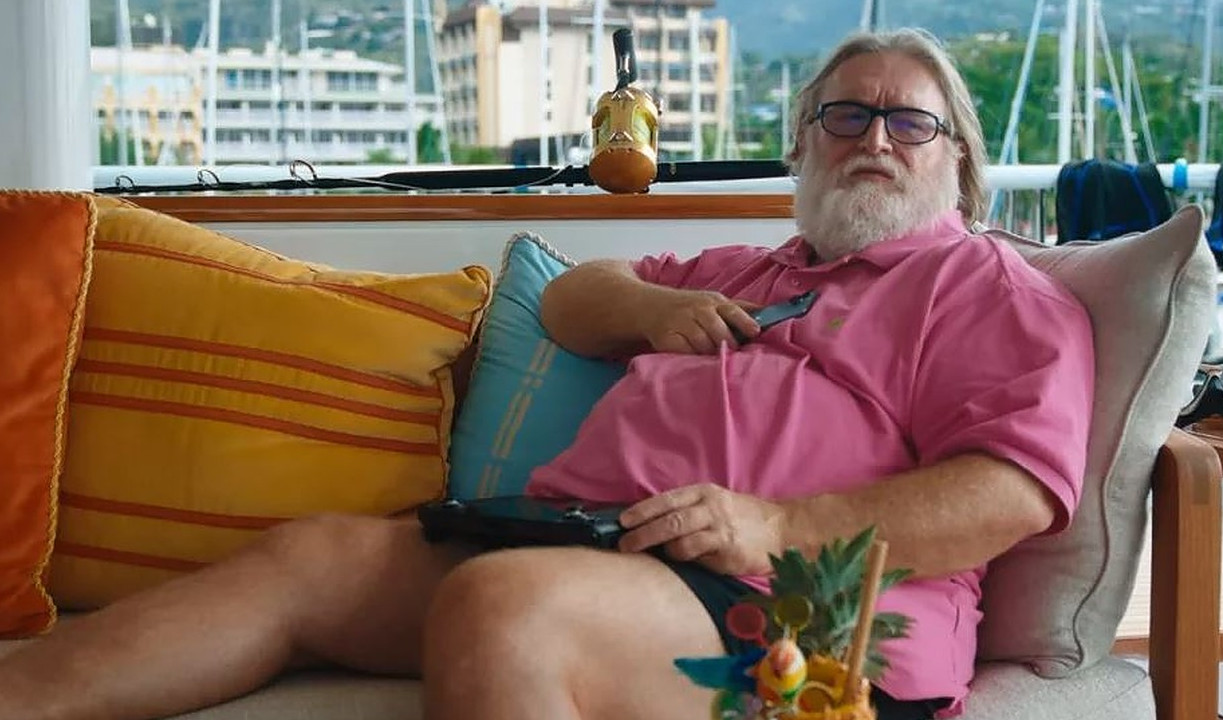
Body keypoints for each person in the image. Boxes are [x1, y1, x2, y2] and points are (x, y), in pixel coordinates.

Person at [0, 28, 1094, 720]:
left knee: (509, 609)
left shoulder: (986, 288)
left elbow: (1009, 491)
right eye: (845, 115)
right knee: (313, 558)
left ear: (958, 158)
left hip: (800, 615)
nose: (875, 139)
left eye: (910, 121)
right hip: (594, 546)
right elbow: (575, 298)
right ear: (803, 146)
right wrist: (654, 311)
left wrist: (774, 526)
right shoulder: (744, 268)